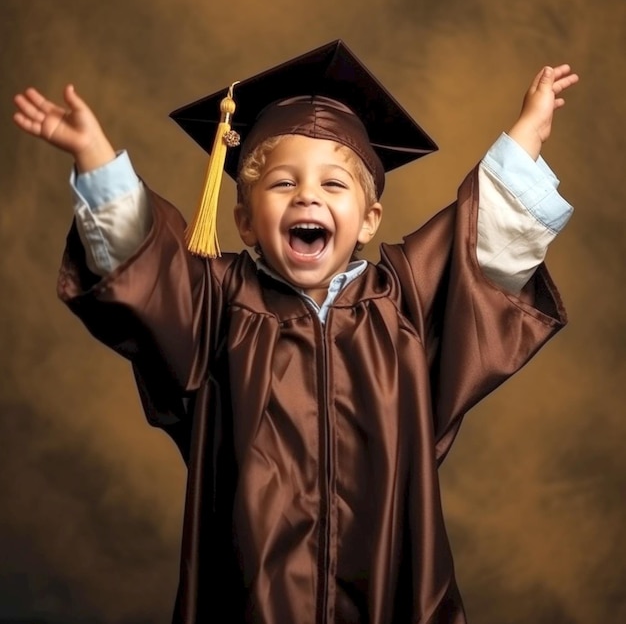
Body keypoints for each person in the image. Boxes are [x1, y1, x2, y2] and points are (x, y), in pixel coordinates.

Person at [13, 41, 578, 624]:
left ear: (368, 220)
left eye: (334, 185)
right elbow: (149, 269)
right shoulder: (216, 303)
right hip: (251, 597)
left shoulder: (405, 302)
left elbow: (478, 244)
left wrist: (526, 135)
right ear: (245, 221)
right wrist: (96, 159)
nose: (308, 194)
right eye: (283, 184)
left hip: (390, 589)